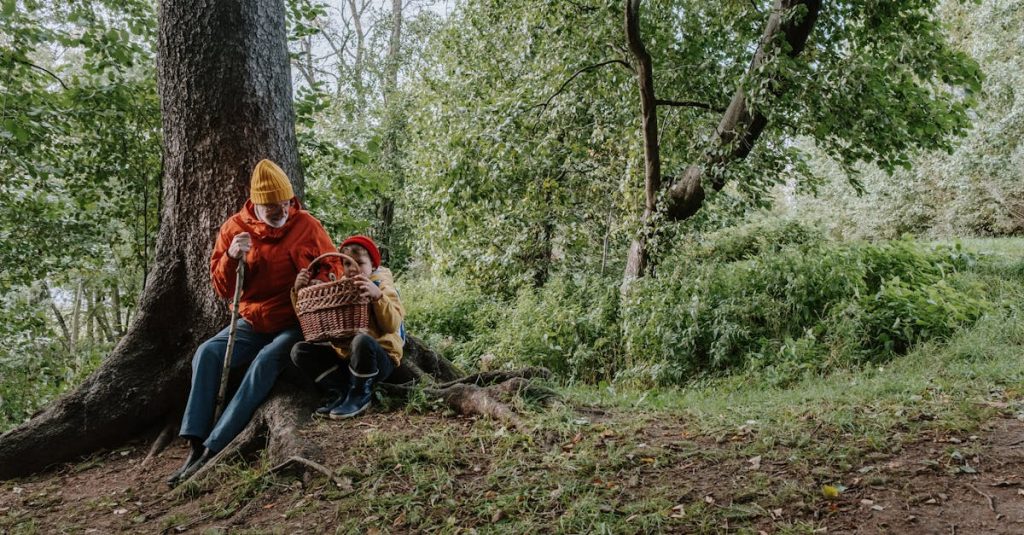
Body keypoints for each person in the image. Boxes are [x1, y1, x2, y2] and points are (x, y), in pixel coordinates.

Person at [166, 159, 339, 487]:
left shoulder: (306, 225)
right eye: (273, 207)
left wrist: (321, 281)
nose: (281, 212)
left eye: (286, 204)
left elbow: (331, 266)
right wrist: (231, 257)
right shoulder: (234, 228)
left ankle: (216, 445)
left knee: (265, 362)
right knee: (207, 353)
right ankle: (194, 442)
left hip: (295, 320)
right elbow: (222, 287)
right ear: (257, 204)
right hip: (254, 320)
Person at [290, 235, 406, 419]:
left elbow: (392, 325)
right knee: (300, 351)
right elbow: (313, 317)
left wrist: (377, 298)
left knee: (361, 340)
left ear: (373, 266)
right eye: (347, 264)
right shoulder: (341, 287)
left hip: (378, 359)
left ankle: (360, 394)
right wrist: (300, 292)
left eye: (359, 263)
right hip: (347, 360)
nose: (352, 269)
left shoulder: (383, 287)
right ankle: (340, 391)